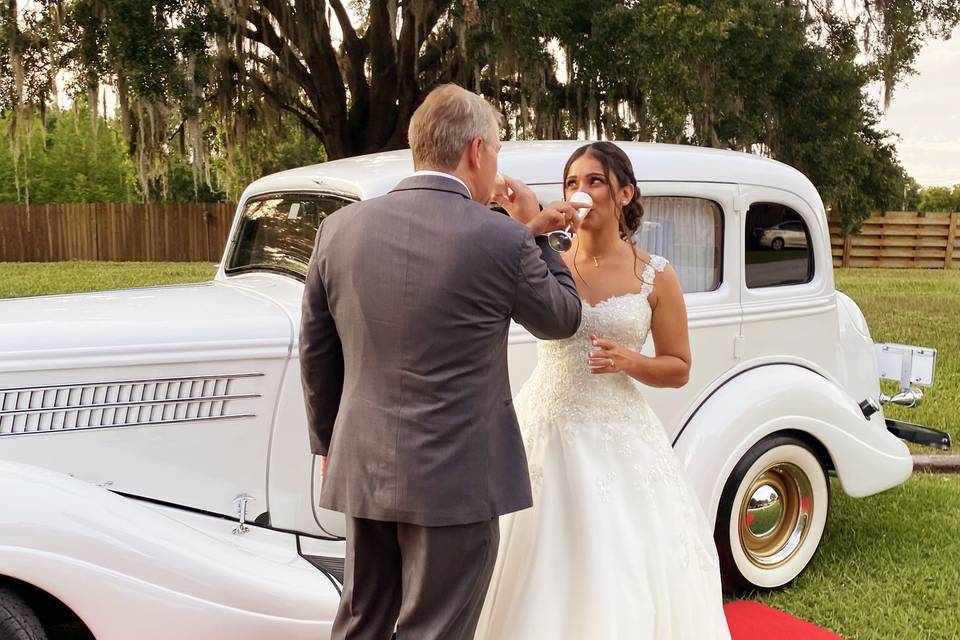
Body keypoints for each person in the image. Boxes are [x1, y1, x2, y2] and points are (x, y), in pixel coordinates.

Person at [299, 84, 585, 640]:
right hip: (458, 478)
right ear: (476, 151)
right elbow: (563, 318)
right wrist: (541, 234)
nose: (496, 164)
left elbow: (317, 349)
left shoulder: (338, 230)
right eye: (497, 151)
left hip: (364, 465)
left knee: (361, 620)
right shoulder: (504, 238)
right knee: (437, 630)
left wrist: (327, 443)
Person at [475, 142, 732, 639]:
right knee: (531, 555)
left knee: (622, 562)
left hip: (620, 433)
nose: (581, 192)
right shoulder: (548, 263)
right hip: (544, 425)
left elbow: (679, 367)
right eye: (572, 182)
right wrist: (526, 224)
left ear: (624, 194)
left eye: (594, 181)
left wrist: (631, 361)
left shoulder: (655, 275)